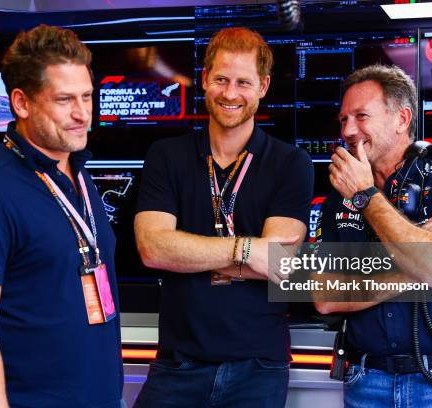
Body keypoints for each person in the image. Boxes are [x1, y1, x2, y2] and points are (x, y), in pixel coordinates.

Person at [0, 24, 123, 408]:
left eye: (87, 97)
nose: (81, 114)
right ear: (21, 103)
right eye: (64, 100)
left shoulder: (79, 174)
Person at [133, 27, 313, 407]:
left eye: (243, 82)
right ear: (204, 80)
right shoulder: (166, 156)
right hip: (177, 364)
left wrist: (189, 253)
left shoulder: (290, 163)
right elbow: (153, 248)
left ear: (263, 86)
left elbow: (278, 262)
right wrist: (246, 250)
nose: (231, 94)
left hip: (258, 368)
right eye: (221, 79)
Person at [313, 64, 432, 407]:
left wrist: (365, 196)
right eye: (343, 119)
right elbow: (324, 296)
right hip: (366, 382)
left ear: (402, 119)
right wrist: (416, 262)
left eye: (361, 116)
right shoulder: (337, 198)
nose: (348, 130)